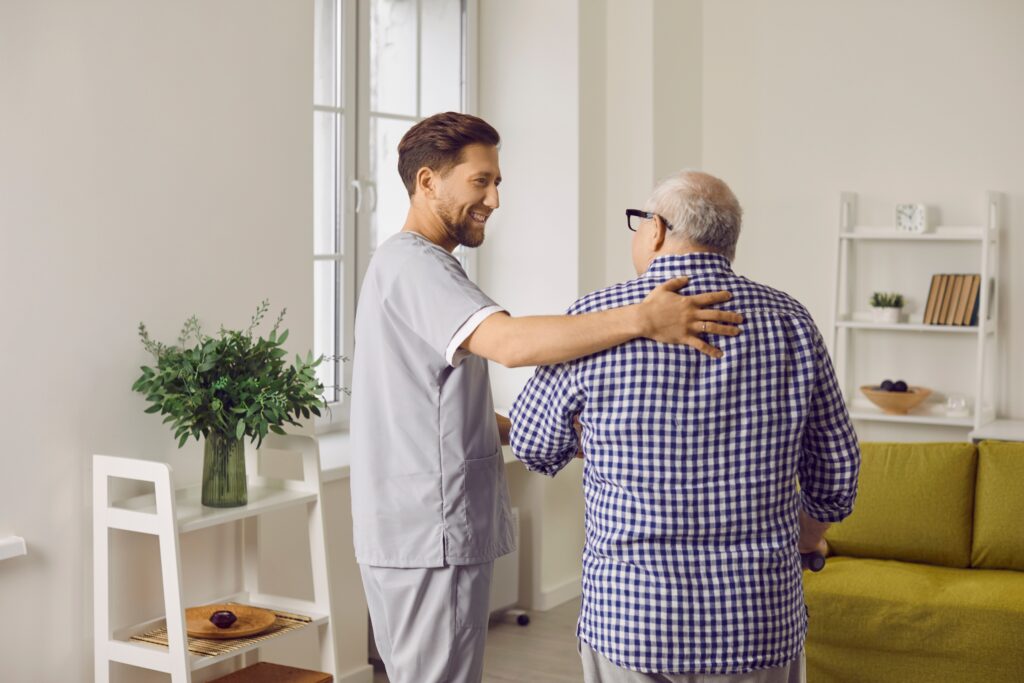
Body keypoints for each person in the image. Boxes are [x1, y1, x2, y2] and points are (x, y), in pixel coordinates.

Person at [349, 114, 745, 683]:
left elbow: (422, 403)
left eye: (497, 182)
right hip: (427, 532)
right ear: (429, 181)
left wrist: (539, 430)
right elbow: (510, 345)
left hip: (414, 527)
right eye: (481, 181)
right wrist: (643, 317)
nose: (494, 199)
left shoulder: (415, 266)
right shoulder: (415, 266)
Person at [510, 171, 860, 683]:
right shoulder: (790, 321)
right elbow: (837, 474)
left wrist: (599, 434)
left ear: (655, 229)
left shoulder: (594, 318)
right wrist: (808, 540)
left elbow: (535, 445)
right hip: (757, 620)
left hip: (632, 619)